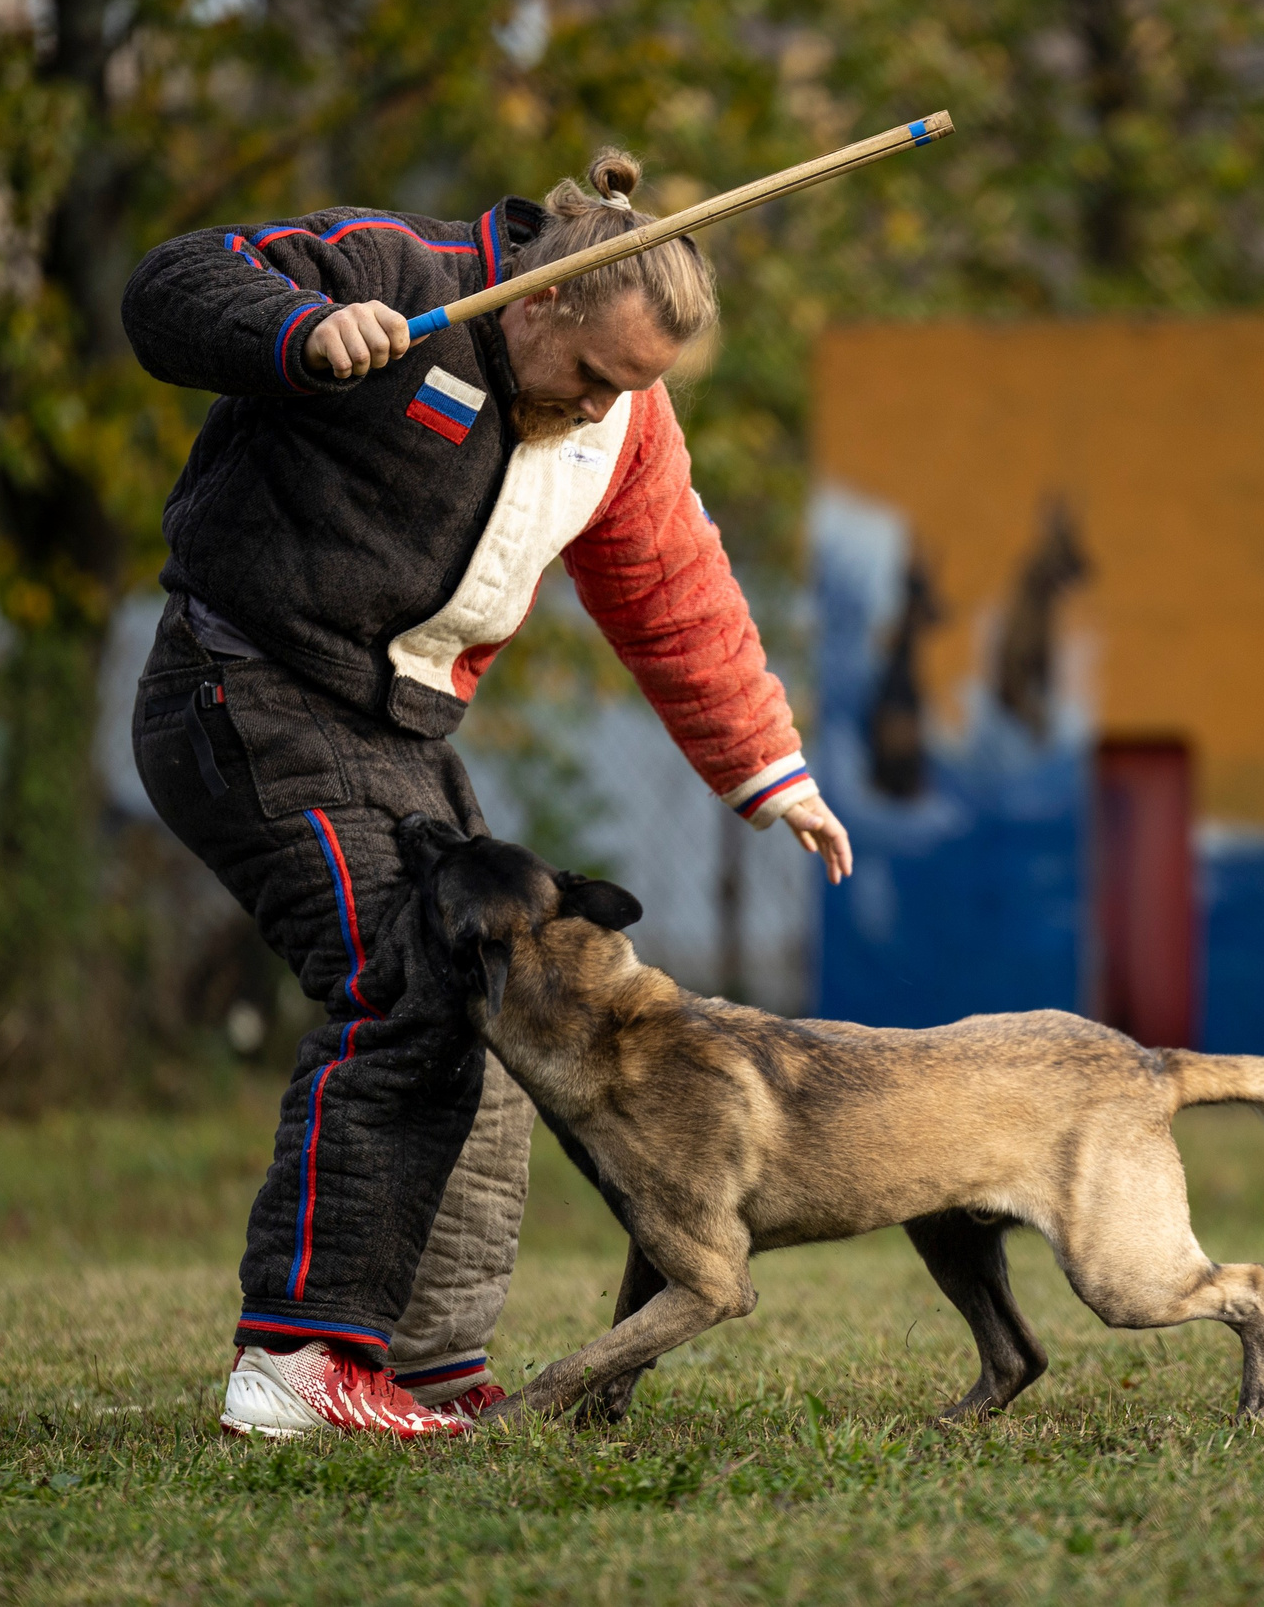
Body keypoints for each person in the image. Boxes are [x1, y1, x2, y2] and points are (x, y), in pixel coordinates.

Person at [120, 150, 853, 1439]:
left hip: (395, 732)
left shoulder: (621, 416)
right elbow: (173, 286)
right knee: (408, 982)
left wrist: (768, 769)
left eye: (637, 390)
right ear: (537, 302)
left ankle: (428, 1364)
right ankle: (301, 1360)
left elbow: (675, 592)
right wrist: (303, 330)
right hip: (244, 689)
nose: (602, 408)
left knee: (513, 996)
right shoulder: (403, 277)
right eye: (593, 375)